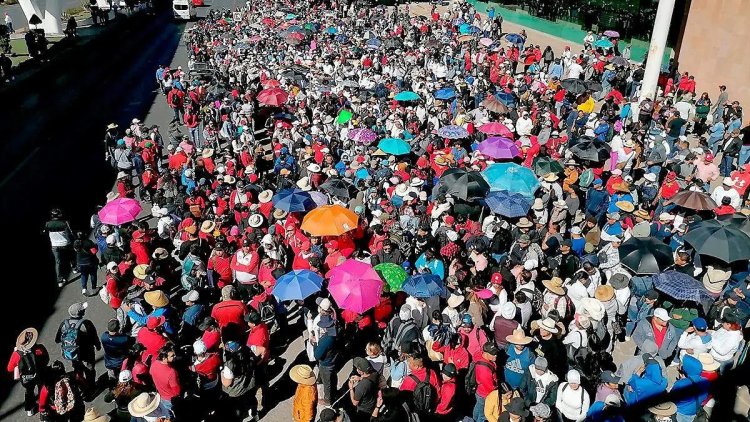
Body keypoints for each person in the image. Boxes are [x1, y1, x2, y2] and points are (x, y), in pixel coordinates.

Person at [55, 302, 100, 397]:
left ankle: (81, 387)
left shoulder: (64, 324)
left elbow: (57, 340)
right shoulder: (86, 323)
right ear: (81, 313)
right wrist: (98, 345)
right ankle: (91, 388)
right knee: (90, 369)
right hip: (87, 351)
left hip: (73, 352)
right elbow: (94, 337)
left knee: (77, 370)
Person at [7, 328, 49, 416]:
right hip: (40, 373)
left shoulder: (17, 354)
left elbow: (9, 368)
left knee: (29, 392)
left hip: (26, 378)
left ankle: (30, 410)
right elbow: (46, 359)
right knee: (42, 389)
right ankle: (43, 408)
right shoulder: (39, 348)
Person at [43, 208, 75, 287]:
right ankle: (74, 268)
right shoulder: (64, 223)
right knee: (71, 256)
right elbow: (69, 234)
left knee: (58, 262)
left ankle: (60, 280)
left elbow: (44, 232)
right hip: (65, 244)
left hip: (54, 245)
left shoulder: (47, 224)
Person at [314, 315, 340, 406]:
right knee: (333, 378)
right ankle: (335, 393)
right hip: (334, 359)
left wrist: (315, 344)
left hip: (326, 363)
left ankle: (327, 401)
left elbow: (317, 355)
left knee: (327, 383)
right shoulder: (336, 332)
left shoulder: (326, 339)